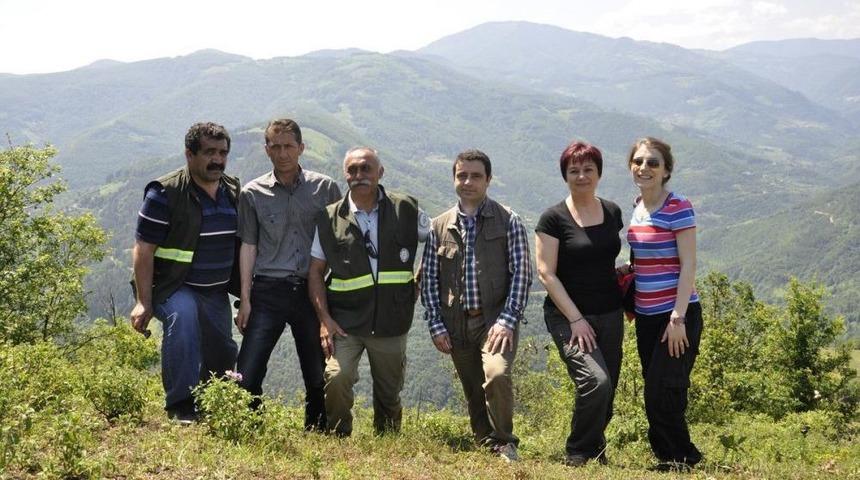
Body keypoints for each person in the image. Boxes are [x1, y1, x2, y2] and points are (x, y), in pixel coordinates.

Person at [308, 147, 429, 436]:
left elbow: (438, 243)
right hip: (346, 322)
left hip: (392, 322)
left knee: (389, 394)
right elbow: (315, 272)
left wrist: (420, 279)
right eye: (352, 170)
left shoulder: (407, 209)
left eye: (366, 169)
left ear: (380, 173)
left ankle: (386, 443)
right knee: (336, 378)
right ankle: (339, 437)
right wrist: (325, 319)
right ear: (345, 174)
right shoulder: (328, 219)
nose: (359, 175)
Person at [420, 149, 532, 462]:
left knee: (496, 375)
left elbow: (522, 274)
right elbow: (428, 281)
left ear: (488, 180)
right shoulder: (438, 227)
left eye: (476, 176)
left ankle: (505, 441)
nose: (468, 182)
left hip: (494, 320)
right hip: (455, 324)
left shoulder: (508, 220)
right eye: (462, 175)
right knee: (473, 388)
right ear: (454, 178)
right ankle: (486, 444)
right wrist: (436, 325)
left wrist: (507, 320)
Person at [234, 118, 341, 430]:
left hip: (311, 289)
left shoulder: (325, 189)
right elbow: (248, 246)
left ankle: (319, 429)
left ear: (301, 148)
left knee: (316, 369)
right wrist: (246, 298)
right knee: (248, 370)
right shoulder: (252, 193)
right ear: (267, 150)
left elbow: (339, 241)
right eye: (275, 146)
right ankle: (247, 426)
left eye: (288, 146)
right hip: (267, 289)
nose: (282, 153)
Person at [130, 122, 240, 424]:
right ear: (189, 154)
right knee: (184, 321)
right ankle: (181, 404)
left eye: (222, 153)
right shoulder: (165, 193)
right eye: (209, 152)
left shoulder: (232, 190)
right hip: (173, 285)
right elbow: (143, 249)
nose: (217, 159)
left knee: (223, 349)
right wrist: (144, 301)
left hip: (215, 290)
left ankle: (212, 401)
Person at [535, 141, 625, 466]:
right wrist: (575, 319)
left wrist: (623, 272)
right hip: (568, 315)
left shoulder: (613, 212)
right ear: (565, 175)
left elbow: (602, 256)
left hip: (611, 311)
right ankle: (577, 452)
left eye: (588, 169)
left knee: (608, 390)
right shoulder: (553, 219)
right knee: (595, 382)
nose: (582, 175)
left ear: (599, 173)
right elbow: (546, 273)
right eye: (574, 170)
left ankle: (595, 450)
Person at [624, 137, 703, 471]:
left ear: (666, 170)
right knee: (653, 388)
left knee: (666, 388)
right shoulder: (637, 208)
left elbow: (689, 265)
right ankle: (668, 457)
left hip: (676, 315)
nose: (645, 168)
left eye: (653, 163)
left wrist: (678, 317)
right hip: (645, 315)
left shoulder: (678, 207)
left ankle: (683, 457)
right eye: (639, 161)